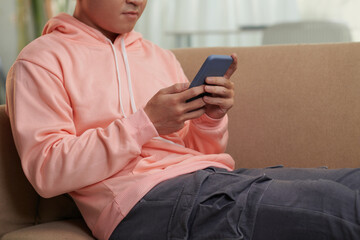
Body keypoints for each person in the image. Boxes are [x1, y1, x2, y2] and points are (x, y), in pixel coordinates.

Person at [5, 1, 360, 240]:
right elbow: (48, 171)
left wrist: (209, 118)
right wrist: (145, 123)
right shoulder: (40, 61)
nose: (137, 0)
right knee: (336, 205)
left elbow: (192, 149)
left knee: (352, 183)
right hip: (137, 203)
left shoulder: (159, 56)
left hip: (208, 179)